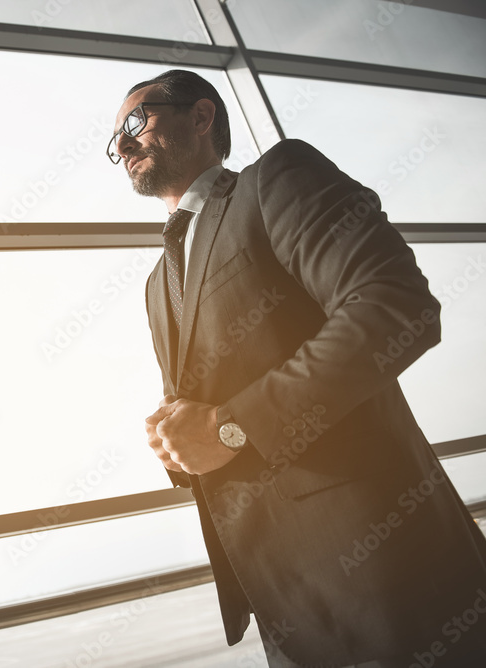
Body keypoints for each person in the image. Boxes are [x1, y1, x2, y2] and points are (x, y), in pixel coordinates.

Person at [110, 69, 486, 667]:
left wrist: (231, 426)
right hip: (284, 606)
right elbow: (204, 412)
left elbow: (393, 305)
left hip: (393, 578)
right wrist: (177, 439)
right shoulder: (158, 285)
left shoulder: (275, 179)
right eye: (114, 143)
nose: (123, 145)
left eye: (136, 123)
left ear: (202, 117)